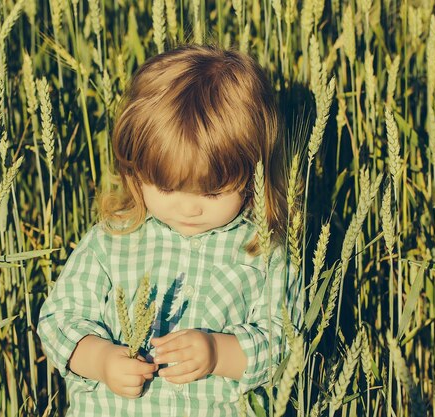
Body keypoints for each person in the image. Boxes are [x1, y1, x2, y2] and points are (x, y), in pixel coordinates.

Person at [37, 43, 304, 417]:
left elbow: (286, 342)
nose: (189, 207)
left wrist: (219, 353)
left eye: (213, 192)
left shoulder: (265, 250)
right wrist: (101, 361)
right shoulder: (111, 241)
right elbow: (58, 320)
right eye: (167, 188)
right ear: (136, 170)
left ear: (252, 174)